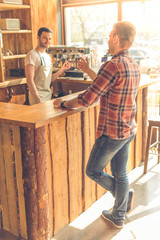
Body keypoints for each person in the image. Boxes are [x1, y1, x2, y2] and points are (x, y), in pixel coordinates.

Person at [54, 21, 140, 229]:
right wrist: (89, 70)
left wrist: (63, 104)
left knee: (93, 170)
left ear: (116, 38)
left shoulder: (113, 65)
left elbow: (88, 98)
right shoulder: (132, 65)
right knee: (120, 174)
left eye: (111, 35)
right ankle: (120, 206)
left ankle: (121, 203)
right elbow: (105, 85)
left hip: (111, 132)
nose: (109, 39)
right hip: (127, 129)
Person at [25, 27, 70, 105]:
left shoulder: (48, 57)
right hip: (37, 98)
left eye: (49, 39)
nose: (47, 41)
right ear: (38, 37)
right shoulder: (32, 55)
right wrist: (37, 99)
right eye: (45, 38)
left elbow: (50, 78)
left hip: (47, 97)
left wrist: (62, 69)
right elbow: (29, 80)